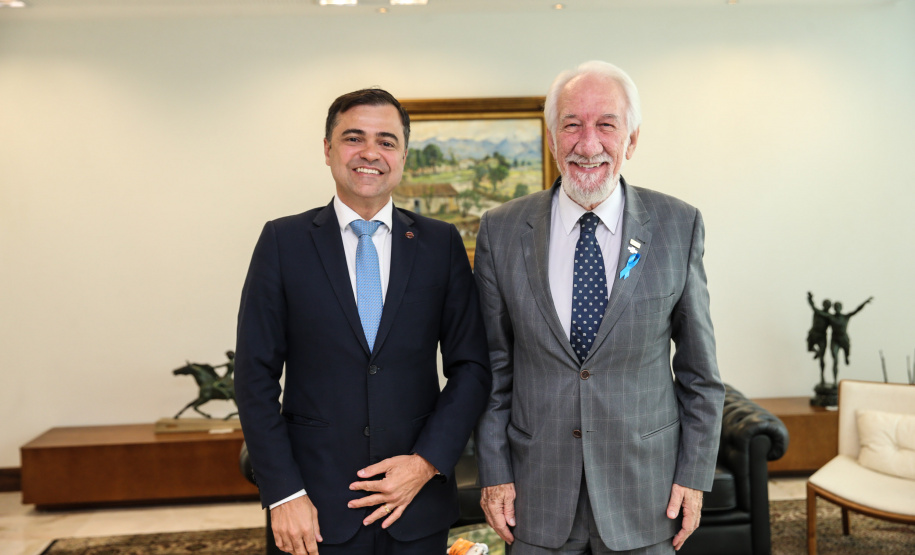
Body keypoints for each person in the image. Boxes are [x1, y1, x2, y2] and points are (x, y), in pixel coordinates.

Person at [473, 61, 725, 555]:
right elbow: (492, 369)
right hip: (535, 494)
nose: (588, 144)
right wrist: (495, 473)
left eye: (606, 124)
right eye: (572, 124)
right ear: (552, 138)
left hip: (647, 496)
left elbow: (700, 373)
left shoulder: (678, 225)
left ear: (631, 140)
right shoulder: (501, 231)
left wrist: (694, 478)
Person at [234, 88, 491, 555]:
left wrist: (426, 463)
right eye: (354, 138)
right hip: (313, 511)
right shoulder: (282, 242)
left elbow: (472, 366)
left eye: (387, 141)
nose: (370, 152)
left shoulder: (440, 243)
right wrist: (284, 495)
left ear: (404, 156)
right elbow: (254, 378)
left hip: (415, 503)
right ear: (328, 149)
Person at [827, 296, 873, 383]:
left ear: (841, 308)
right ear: (833, 308)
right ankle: (834, 381)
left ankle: (846, 356)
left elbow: (857, 310)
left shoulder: (846, 317)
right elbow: (818, 312)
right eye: (835, 307)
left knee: (847, 352)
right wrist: (810, 300)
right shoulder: (831, 317)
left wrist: (865, 302)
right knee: (835, 360)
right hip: (835, 340)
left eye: (838, 307)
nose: (837, 308)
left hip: (844, 339)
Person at [806, 293, 832, 384]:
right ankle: (817, 352)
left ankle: (822, 376)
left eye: (828, 305)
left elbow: (837, 324)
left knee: (822, 357)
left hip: (822, 336)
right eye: (825, 304)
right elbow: (812, 305)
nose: (827, 306)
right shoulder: (817, 312)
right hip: (813, 334)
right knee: (809, 348)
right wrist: (810, 298)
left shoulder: (829, 317)